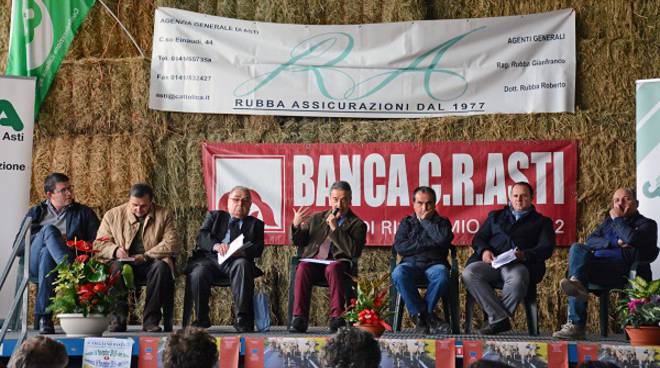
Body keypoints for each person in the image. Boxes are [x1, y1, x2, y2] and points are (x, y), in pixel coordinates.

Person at [553, 188, 658, 340]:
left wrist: (617, 220)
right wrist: (614, 242)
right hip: (597, 265)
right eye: (616, 200)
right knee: (577, 248)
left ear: (637, 203)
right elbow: (590, 240)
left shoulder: (647, 224)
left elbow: (632, 238)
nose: (620, 203)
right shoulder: (607, 223)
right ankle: (577, 284)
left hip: (621, 270)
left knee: (578, 274)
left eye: (625, 199)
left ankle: (577, 324)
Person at [462, 182, 556, 335]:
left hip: (518, 264)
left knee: (518, 278)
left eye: (524, 196)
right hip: (492, 262)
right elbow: (478, 238)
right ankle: (500, 319)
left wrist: (524, 255)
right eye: (516, 196)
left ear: (531, 198)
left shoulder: (542, 222)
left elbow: (546, 248)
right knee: (469, 273)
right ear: (510, 198)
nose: (519, 199)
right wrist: (484, 251)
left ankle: (495, 320)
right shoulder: (496, 217)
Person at [13, 173, 99, 334]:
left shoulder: (84, 213)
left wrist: (69, 243)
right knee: (48, 230)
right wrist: (44, 236)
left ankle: (45, 318)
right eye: (63, 190)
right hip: (35, 264)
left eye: (70, 188)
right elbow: (17, 248)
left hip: (66, 259)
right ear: (50, 195)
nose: (69, 193)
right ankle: (69, 269)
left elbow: (97, 242)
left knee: (48, 255)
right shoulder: (36, 212)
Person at [94, 183, 179, 332]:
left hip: (150, 261)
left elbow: (172, 242)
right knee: (115, 269)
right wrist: (115, 251)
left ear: (151, 202)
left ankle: (150, 321)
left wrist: (146, 256)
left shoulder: (164, 214)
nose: (139, 210)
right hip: (122, 262)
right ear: (128, 201)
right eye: (134, 205)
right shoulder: (112, 215)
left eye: (144, 206)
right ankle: (117, 320)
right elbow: (99, 244)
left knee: (161, 268)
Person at [289, 181, 367, 333]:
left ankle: (337, 318)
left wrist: (335, 228)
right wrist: (296, 225)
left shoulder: (358, 224)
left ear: (350, 201)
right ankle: (299, 318)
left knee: (334, 266)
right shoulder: (317, 218)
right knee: (303, 266)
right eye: (335, 199)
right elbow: (299, 241)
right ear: (329, 200)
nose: (339, 204)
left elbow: (353, 252)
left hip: (339, 266)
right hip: (315, 263)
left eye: (344, 199)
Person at [187, 186, 264, 332]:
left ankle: (242, 319)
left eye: (245, 201)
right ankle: (201, 319)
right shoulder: (215, 216)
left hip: (235, 262)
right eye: (236, 200)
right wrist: (216, 245)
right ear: (228, 201)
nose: (240, 204)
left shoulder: (256, 224)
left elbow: (258, 249)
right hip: (211, 260)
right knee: (198, 272)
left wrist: (241, 252)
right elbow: (201, 237)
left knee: (242, 265)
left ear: (250, 205)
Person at [391, 186, 453, 334]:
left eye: (428, 203)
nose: (424, 207)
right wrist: (429, 244)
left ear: (435, 204)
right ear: (413, 204)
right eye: (420, 203)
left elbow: (443, 240)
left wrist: (425, 222)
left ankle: (420, 317)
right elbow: (400, 247)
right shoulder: (406, 222)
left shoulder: (443, 222)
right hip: (411, 265)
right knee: (398, 273)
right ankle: (426, 315)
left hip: (435, 264)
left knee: (442, 274)